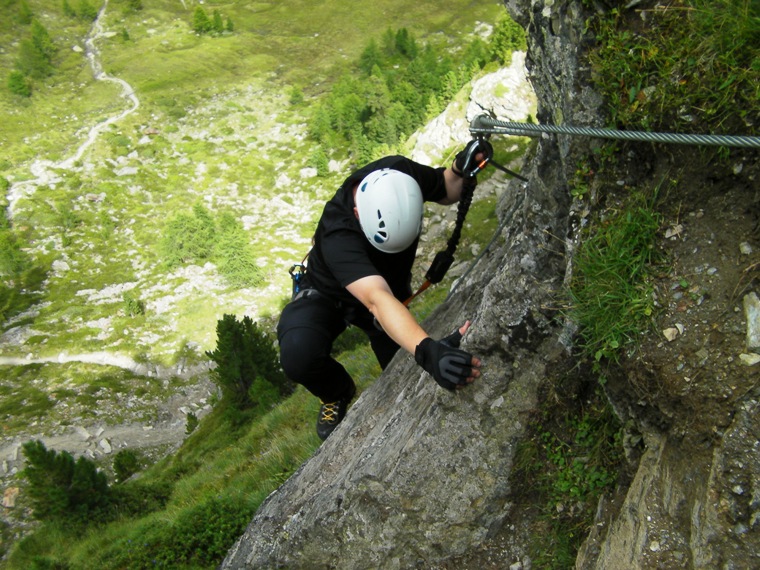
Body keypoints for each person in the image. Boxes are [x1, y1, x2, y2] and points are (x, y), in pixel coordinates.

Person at [277, 141, 485, 440]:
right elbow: (376, 299)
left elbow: (446, 188)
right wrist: (428, 351)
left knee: (410, 374)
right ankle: (336, 392)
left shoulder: (400, 175)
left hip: (386, 291)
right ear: (358, 213)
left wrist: (460, 168)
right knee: (298, 353)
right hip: (329, 295)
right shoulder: (339, 236)